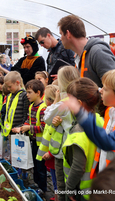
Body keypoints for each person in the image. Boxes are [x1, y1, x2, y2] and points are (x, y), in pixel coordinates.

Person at [63, 68, 115, 178]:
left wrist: (82, 114)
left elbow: (109, 142)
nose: (100, 90)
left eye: (105, 88)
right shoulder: (111, 110)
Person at [58, 78, 104, 201]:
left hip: (81, 191)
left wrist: (69, 188)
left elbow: (78, 167)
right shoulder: (99, 120)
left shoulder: (79, 132)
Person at [43, 66, 80, 201]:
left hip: (63, 150)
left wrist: (56, 99)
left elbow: (46, 117)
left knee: (62, 183)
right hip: (78, 146)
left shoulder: (64, 103)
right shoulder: (81, 97)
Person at [57, 15, 115, 88]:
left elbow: (114, 87)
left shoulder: (98, 51)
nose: (60, 39)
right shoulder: (78, 56)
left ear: (68, 34)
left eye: (61, 34)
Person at [13, 79, 47, 196]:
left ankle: (43, 188)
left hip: (41, 144)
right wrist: (22, 127)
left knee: (41, 168)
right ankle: (37, 184)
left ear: (38, 93)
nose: (26, 95)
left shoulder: (43, 108)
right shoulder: (31, 106)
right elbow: (29, 120)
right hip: (34, 141)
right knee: (35, 166)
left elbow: (43, 127)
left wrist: (29, 128)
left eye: (29, 92)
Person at [36, 84, 59, 201]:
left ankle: (57, 196)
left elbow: (57, 137)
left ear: (49, 100)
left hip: (53, 153)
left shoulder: (53, 114)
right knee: (55, 178)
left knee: (56, 179)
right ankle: (56, 196)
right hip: (51, 151)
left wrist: (50, 153)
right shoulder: (53, 113)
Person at [3, 71, 29, 146]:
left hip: (19, 131)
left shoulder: (24, 96)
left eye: (10, 86)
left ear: (17, 83)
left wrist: (21, 128)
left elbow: (25, 114)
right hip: (10, 130)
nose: (8, 89)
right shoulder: (9, 96)